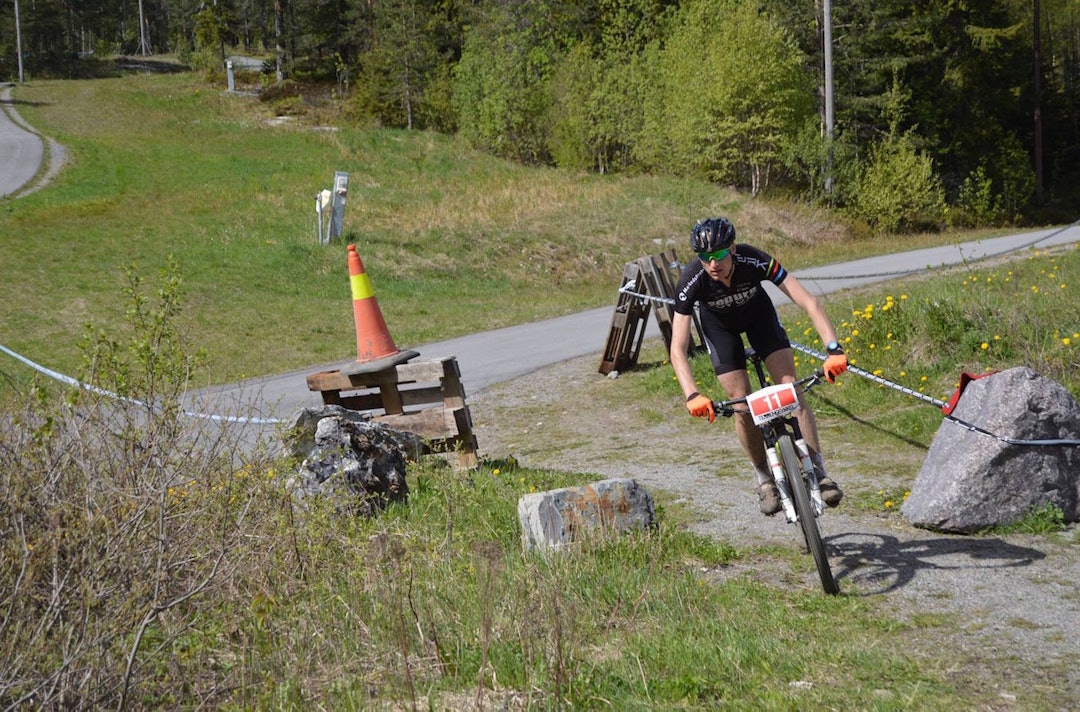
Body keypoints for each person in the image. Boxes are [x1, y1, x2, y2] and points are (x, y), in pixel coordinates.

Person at [668, 217, 849, 515]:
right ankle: (765, 479)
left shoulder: (754, 259)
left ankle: (819, 470)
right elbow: (678, 347)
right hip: (720, 330)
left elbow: (808, 301)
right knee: (742, 407)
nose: (713, 264)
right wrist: (692, 394)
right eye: (705, 258)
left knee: (791, 390)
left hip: (759, 319)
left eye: (719, 256)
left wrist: (833, 349)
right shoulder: (691, 278)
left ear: (733, 249)